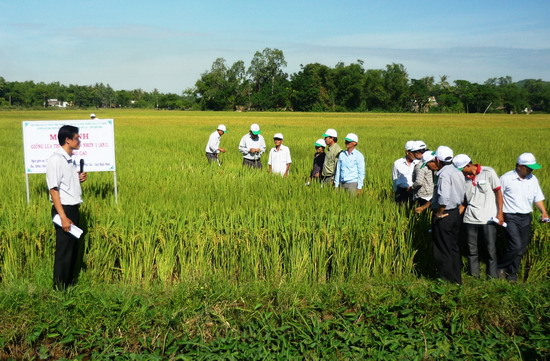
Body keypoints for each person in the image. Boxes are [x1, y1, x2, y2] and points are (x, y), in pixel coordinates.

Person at [46, 125, 88, 290]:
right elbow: (54, 190)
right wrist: (63, 216)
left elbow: (65, 184)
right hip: (64, 209)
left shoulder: (70, 159)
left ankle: (69, 284)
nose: (79, 141)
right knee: (64, 250)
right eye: (77, 138)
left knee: (72, 249)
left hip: (74, 208)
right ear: (67, 140)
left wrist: (78, 178)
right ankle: (59, 288)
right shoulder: (56, 159)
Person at [498, 153, 548, 281]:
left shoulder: (533, 179)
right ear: (520, 166)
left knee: (521, 249)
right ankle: (500, 267)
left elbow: (538, 198)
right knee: (515, 245)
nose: (531, 170)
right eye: (529, 167)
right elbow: (498, 197)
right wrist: (499, 214)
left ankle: (512, 275)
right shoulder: (506, 178)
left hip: (526, 217)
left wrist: (543, 212)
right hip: (510, 216)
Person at [453, 154, 504, 279]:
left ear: (469, 165)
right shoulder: (462, 178)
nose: (462, 172)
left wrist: (500, 214)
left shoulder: (488, 172)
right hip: (470, 218)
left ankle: (492, 276)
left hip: (488, 218)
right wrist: (453, 217)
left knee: (490, 249)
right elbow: (464, 202)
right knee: (472, 249)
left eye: (462, 169)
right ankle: (473, 275)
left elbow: (498, 192)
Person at [430, 146, 465, 284]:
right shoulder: (457, 171)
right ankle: (457, 278)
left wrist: (439, 213)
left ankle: (446, 279)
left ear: (438, 160)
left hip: (445, 213)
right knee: (453, 246)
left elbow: (443, 197)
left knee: (442, 248)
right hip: (455, 213)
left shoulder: (443, 174)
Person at [413, 149, 436, 214]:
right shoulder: (422, 167)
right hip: (426, 196)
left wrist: (412, 188)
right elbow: (419, 182)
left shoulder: (421, 166)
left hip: (427, 196)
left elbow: (418, 182)